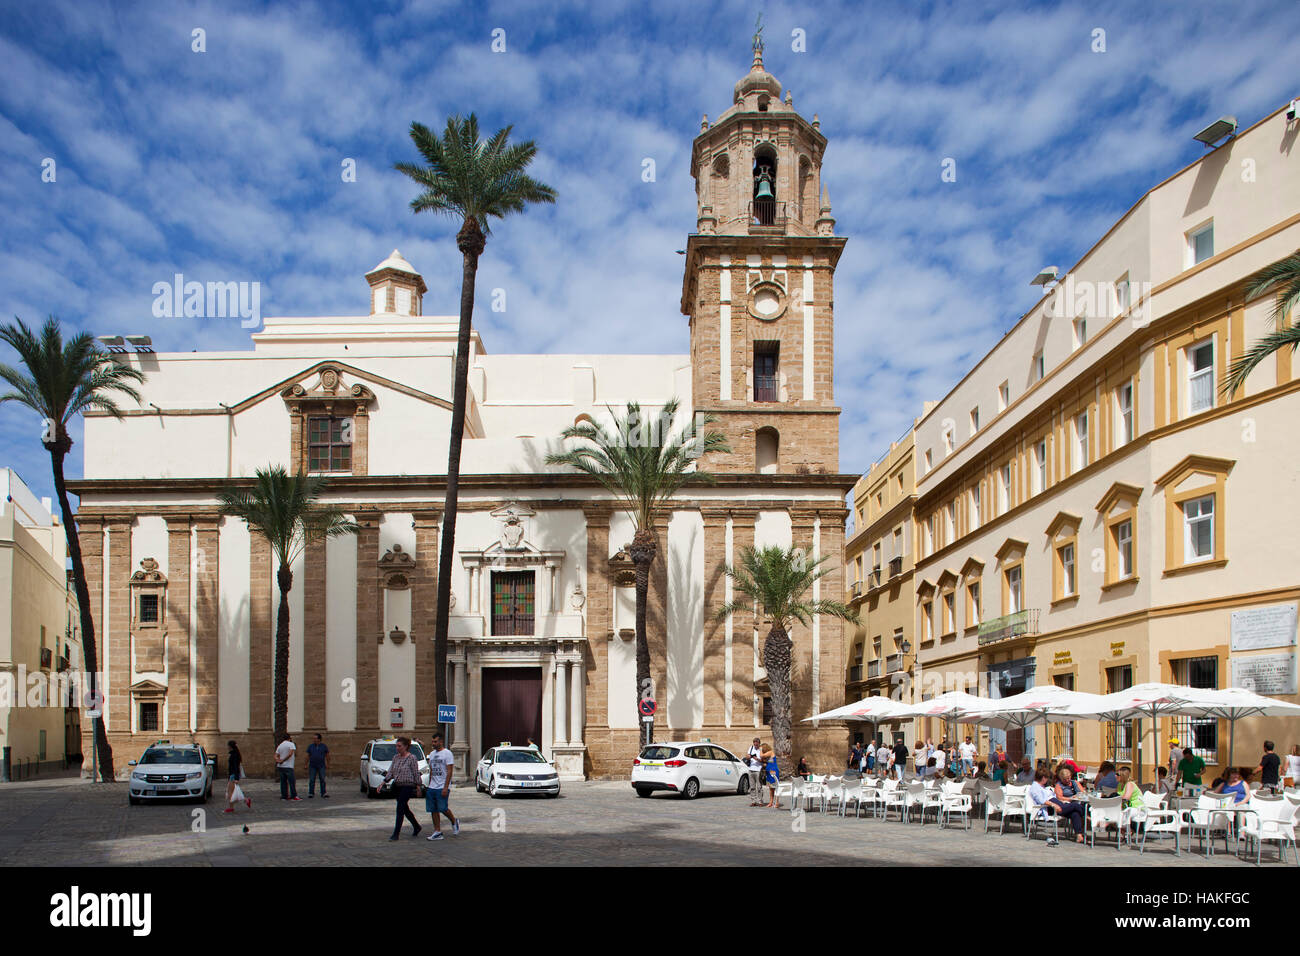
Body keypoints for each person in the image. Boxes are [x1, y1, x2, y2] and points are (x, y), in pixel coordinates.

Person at [379, 736, 423, 841]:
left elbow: (415, 772)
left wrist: (418, 786)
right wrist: (383, 782)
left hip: (407, 786)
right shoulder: (396, 758)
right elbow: (391, 771)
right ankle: (416, 826)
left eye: (399, 746)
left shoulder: (412, 758)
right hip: (397, 785)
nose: (397, 748)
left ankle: (396, 834)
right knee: (404, 808)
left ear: (406, 746)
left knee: (400, 808)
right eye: (396, 746)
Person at [424, 731, 459, 840]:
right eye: (432, 741)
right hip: (432, 787)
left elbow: (449, 771)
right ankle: (437, 831)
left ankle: (454, 821)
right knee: (433, 809)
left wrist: (445, 787)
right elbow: (431, 770)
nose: (433, 743)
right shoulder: (432, 754)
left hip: (442, 786)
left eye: (435, 741)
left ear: (441, 741)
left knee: (443, 808)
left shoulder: (447, 753)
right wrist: (429, 784)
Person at [1052, 765, 1087, 843]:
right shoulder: (1059, 786)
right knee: (1075, 806)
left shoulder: (1075, 783)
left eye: (1069, 778)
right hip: (1066, 804)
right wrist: (1071, 798)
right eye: (1065, 779)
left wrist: (1079, 796)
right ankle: (1086, 815)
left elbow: (1083, 793)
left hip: (1077, 803)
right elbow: (1060, 797)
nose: (1068, 780)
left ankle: (1079, 835)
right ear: (1061, 779)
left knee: (1075, 813)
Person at [224, 740, 251, 813]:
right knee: (231, 791)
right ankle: (242, 801)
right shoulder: (234, 754)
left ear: (230, 746)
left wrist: (236, 778)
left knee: (230, 792)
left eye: (228, 745)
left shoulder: (234, 755)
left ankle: (233, 806)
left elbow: (236, 767)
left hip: (233, 775)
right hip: (232, 775)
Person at [274, 733, 300, 801]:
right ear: (289, 738)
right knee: (291, 781)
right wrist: (283, 760)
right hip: (288, 766)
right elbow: (291, 753)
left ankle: (284, 796)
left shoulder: (280, 745)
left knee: (283, 782)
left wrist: (278, 760)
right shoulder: (291, 744)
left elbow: (275, 755)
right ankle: (294, 795)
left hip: (281, 766)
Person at [306, 733, 329, 798]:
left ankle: (323, 792)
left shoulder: (324, 746)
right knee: (312, 779)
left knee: (322, 779)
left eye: (315, 738)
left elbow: (327, 755)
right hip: (312, 765)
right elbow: (308, 756)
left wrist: (328, 763)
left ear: (319, 739)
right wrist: (306, 764)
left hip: (321, 765)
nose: (314, 740)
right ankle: (311, 793)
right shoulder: (311, 746)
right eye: (314, 738)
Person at [746, 737, 764, 806]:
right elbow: (747, 756)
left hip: (758, 770)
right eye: (754, 743)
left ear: (759, 743)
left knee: (759, 787)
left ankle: (760, 801)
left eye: (756, 744)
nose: (755, 745)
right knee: (752, 787)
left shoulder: (761, 750)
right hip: (751, 769)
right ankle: (753, 801)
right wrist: (750, 756)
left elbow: (763, 760)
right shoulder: (751, 748)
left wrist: (757, 759)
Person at [761, 744, 780, 808]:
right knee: (771, 788)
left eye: (762, 748)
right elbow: (769, 763)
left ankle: (777, 802)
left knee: (775, 787)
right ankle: (771, 802)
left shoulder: (770, 752)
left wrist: (759, 750)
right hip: (769, 773)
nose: (762, 750)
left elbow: (762, 755)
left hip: (773, 772)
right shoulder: (768, 756)